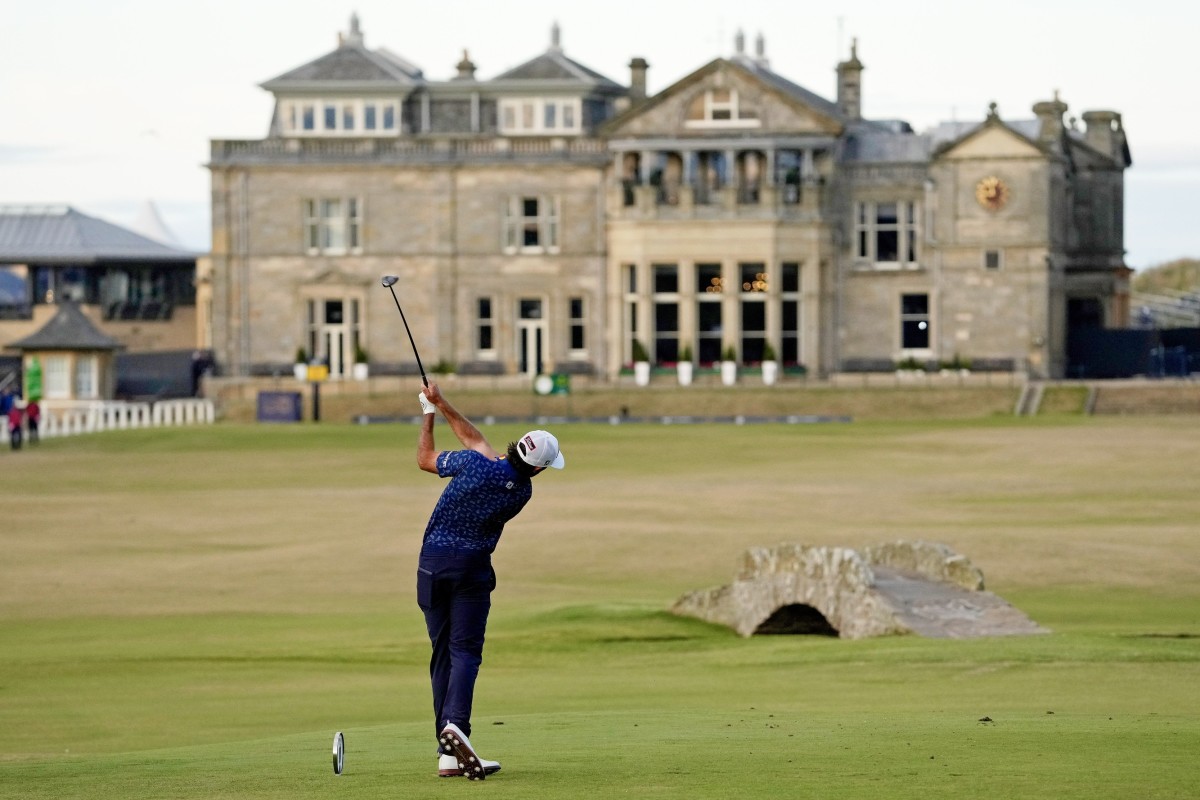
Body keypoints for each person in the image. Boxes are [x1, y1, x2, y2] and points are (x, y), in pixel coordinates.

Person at [414, 381, 564, 780]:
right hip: (472, 571)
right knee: (465, 653)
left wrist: (429, 413)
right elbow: (476, 441)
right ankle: (455, 727)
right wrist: (441, 403)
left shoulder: (473, 463)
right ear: (535, 466)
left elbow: (426, 458)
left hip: (431, 566)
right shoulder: (522, 490)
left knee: (442, 654)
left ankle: (446, 754)